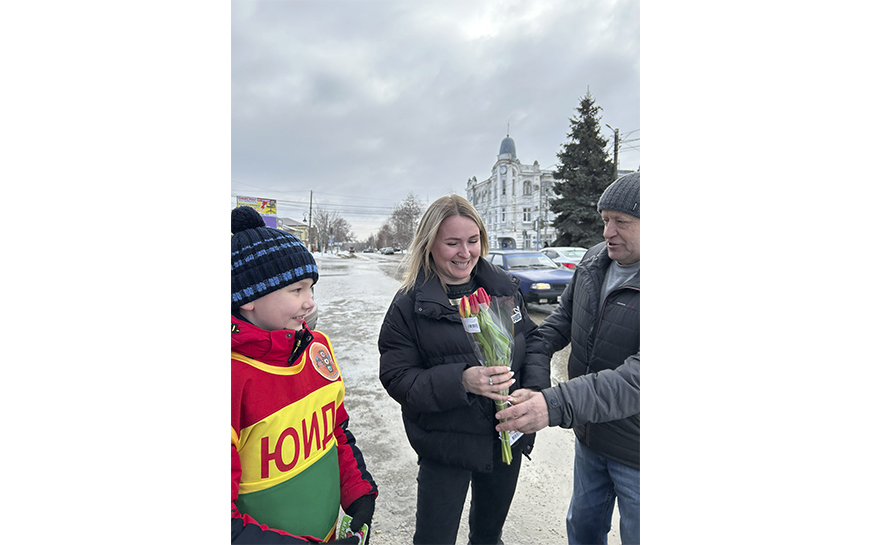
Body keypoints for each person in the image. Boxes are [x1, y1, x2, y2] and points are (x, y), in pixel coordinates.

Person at [378, 195, 551, 545]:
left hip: (505, 437)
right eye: (452, 243)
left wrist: (533, 388)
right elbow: (398, 377)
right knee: (434, 538)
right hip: (446, 445)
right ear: (429, 244)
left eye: (473, 241)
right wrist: (461, 381)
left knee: (488, 535)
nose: (465, 252)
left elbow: (532, 343)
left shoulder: (503, 289)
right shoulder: (410, 304)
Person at [495, 171, 641, 545]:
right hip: (591, 436)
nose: (608, 232)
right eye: (605, 220)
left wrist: (553, 404)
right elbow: (555, 328)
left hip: (639, 451)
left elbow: (636, 379)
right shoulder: (595, 261)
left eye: (621, 222)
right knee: (583, 528)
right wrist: (535, 383)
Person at [231, 205, 378, 544]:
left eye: (311, 288)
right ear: (249, 298)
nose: (310, 303)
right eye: (296, 290)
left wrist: (359, 495)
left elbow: (336, 431)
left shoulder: (316, 349)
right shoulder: (233, 375)